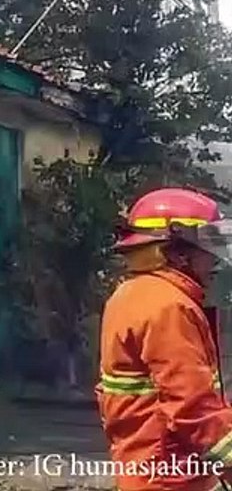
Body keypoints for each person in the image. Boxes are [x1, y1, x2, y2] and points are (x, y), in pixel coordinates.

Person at [97, 188, 232, 491]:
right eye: (206, 250)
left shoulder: (132, 294)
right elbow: (193, 410)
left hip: (148, 471)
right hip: (169, 478)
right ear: (176, 252)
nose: (215, 262)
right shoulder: (169, 307)